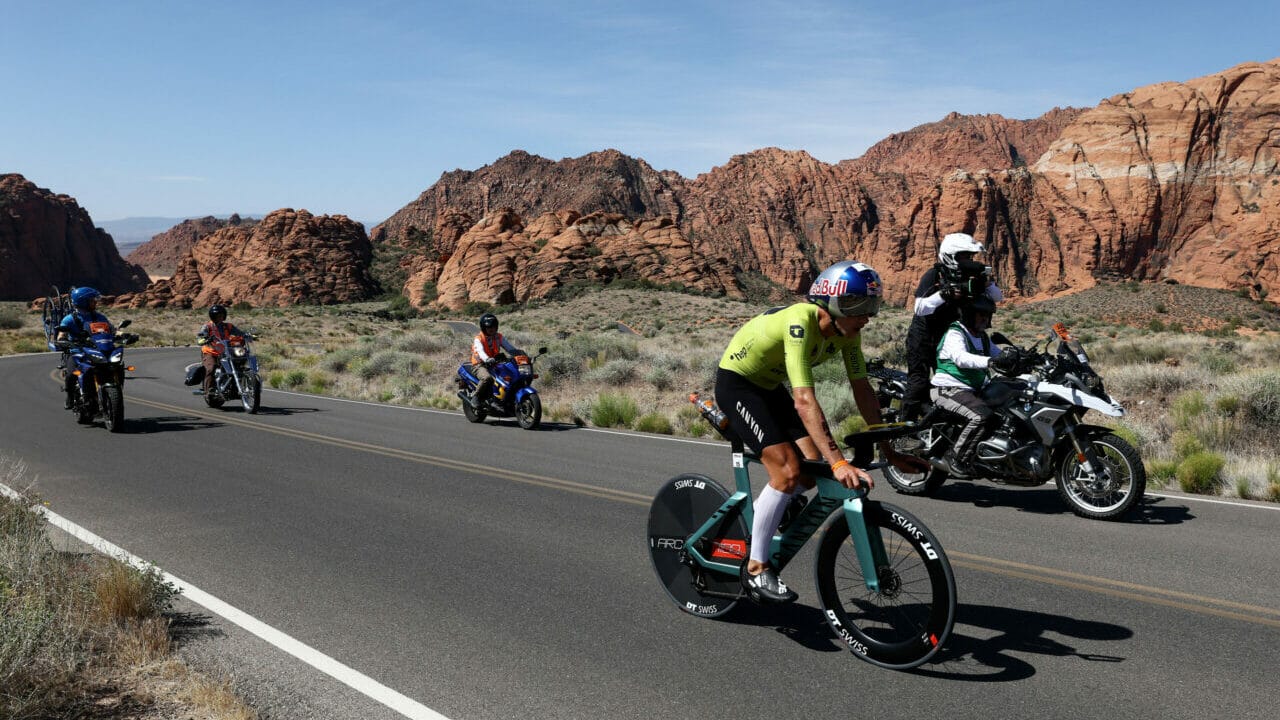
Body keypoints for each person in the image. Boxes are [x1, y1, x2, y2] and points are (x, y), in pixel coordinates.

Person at [715, 260, 929, 605]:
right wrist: (840, 462)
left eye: (871, 306)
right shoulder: (801, 323)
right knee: (787, 472)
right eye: (860, 307)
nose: (867, 316)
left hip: (769, 387)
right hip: (739, 385)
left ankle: (773, 510)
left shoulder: (848, 335)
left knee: (811, 472)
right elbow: (804, 400)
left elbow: (863, 391)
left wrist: (889, 453)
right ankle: (756, 568)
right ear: (833, 304)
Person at [902, 232, 1004, 420]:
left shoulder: (973, 276)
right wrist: (945, 294)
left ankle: (942, 424)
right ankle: (904, 432)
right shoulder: (936, 274)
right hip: (924, 337)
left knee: (954, 381)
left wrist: (987, 282)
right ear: (951, 256)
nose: (968, 261)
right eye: (964, 256)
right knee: (919, 382)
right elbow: (920, 308)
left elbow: (998, 297)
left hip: (949, 337)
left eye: (969, 256)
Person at [929, 294, 1020, 476]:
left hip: (973, 391)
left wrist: (1017, 357)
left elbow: (998, 355)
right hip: (948, 389)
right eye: (981, 314)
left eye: (987, 315)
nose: (985, 319)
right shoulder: (956, 332)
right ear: (969, 314)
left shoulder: (982, 337)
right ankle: (957, 458)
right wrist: (991, 362)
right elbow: (961, 358)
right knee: (981, 417)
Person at [56, 287, 113, 408]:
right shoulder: (69, 319)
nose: (95, 302)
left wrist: (121, 335)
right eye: (92, 300)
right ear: (83, 302)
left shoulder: (99, 317)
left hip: (98, 351)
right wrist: (62, 340)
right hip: (78, 353)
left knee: (116, 366)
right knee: (72, 374)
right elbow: (61, 335)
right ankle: (70, 397)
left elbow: (111, 330)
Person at [468, 313, 521, 405]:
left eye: (493, 326)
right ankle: (476, 397)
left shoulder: (498, 337)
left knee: (510, 376)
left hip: (494, 363)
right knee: (487, 378)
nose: (491, 329)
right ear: (484, 328)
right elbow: (480, 351)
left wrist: (519, 353)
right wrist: (487, 359)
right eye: (489, 327)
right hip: (479, 365)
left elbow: (509, 348)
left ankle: (503, 399)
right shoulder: (479, 339)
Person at [197, 304, 245, 395]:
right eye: (217, 315)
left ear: (224, 315)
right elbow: (200, 337)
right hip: (211, 352)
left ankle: (237, 386)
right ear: (212, 316)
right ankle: (209, 390)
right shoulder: (207, 326)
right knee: (211, 368)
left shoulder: (228, 326)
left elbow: (239, 333)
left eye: (221, 315)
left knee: (239, 363)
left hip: (226, 351)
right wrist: (203, 339)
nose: (219, 317)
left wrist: (247, 335)